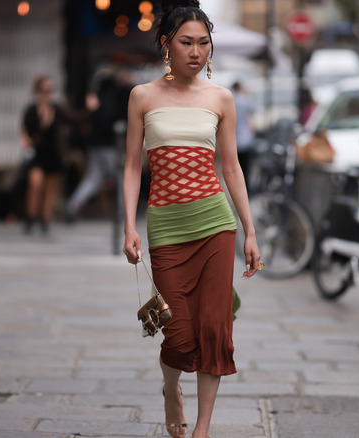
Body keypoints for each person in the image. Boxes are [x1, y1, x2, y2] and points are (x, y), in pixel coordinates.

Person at [121, 1, 262, 437]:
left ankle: (202, 428)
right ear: (167, 45)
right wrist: (129, 225)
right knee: (177, 335)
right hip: (165, 225)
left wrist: (250, 231)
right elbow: (130, 167)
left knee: (214, 328)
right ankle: (170, 391)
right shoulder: (141, 96)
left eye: (204, 43)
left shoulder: (221, 98)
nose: (196, 52)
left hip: (216, 224)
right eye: (186, 42)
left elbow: (231, 167)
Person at [20, 75, 96, 234]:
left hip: (54, 155)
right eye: (45, 90)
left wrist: (90, 109)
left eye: (51, 90)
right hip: (37, 154)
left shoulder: (57, 108)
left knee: (49, 190)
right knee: (35, 183)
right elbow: (25, 130)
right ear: (38, 91)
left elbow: (76, 119)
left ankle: (45, 220)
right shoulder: (31, 110)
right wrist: (25, 141)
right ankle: (30, 217)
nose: (48, 94)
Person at [65, 73, 130, 222]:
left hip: (94, 147)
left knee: (93, 178)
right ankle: (123, 211)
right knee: (122, 177)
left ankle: (73, 204)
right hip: (109, 147)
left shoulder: (95, 100)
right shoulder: (111, 101)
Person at [230, 82, 257, 185]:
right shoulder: (245, 99)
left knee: (234, 168)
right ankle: (246, 188)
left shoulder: (231, 100)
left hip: (233, 140)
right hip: (246, 139)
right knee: (246, 167)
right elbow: (252, 120)